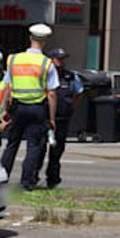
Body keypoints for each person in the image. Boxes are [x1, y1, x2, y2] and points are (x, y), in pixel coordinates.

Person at [0, 23, 60, 191]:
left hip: (17, 108)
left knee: (12, 143)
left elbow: (7, 87)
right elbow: (52, 93)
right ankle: (26, 182)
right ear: (45, 41)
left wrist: (4, 110)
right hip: (37, 109)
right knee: (33, 146)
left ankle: (2, 178)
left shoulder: (13, 59)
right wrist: (52, 118)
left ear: (30, 38)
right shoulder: (47, 64)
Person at [43, 47, 83, 189]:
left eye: (63, 58)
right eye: (59, 58)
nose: (62, 61)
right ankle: (32, 177)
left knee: (57, 151)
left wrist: (71, 107)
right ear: (51, 60)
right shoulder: (45, 75)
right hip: (44, 117)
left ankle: (53, 179)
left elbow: (79, 92)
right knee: (40, 149)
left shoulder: (70, 77)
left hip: (62, 118)